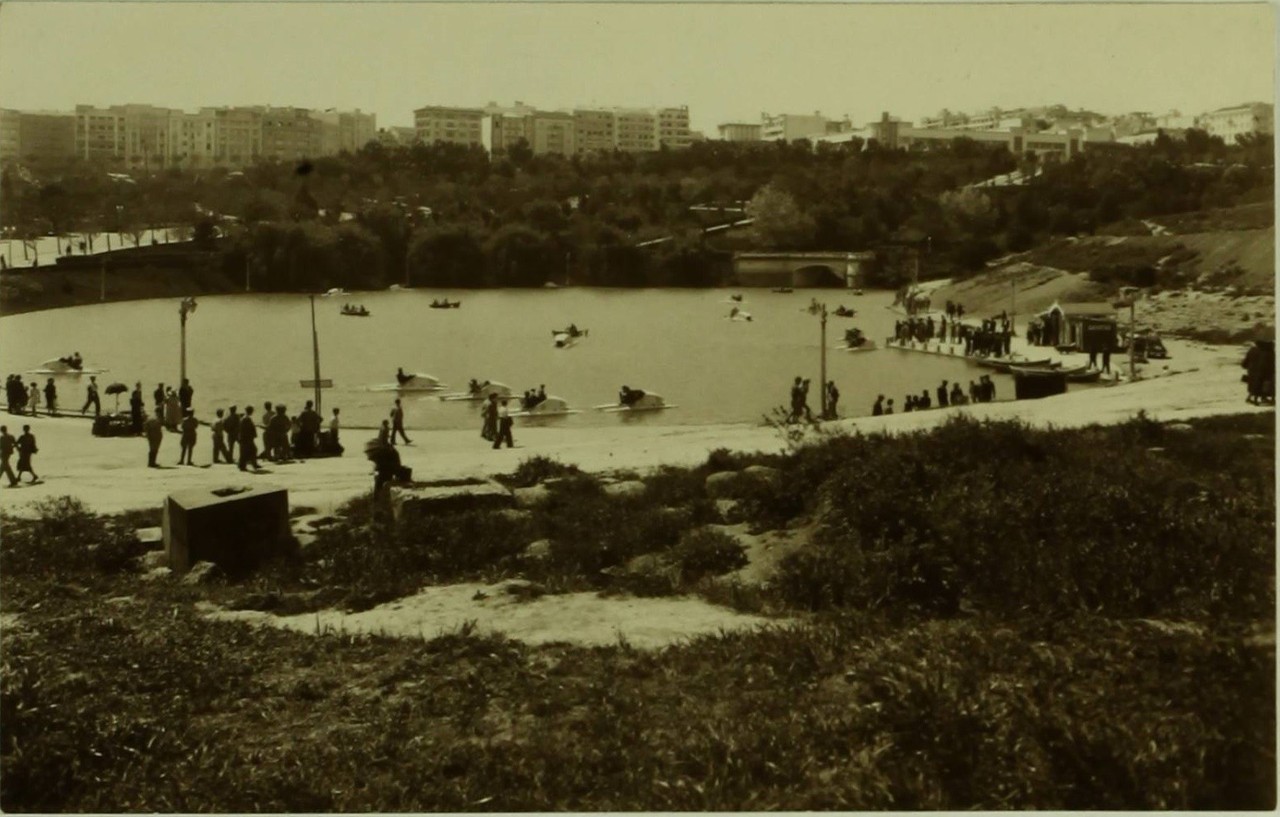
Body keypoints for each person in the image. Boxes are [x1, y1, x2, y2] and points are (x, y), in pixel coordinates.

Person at [238, 405, 259, 471]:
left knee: (247, 451)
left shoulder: (245, 418)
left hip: (245, 438)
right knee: (251, 451)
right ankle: (246, 465)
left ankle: (246, 465)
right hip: (246, 438)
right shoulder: (246, 419)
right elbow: (247, 429)